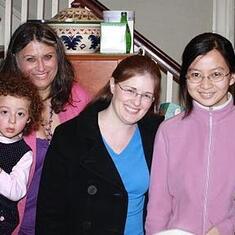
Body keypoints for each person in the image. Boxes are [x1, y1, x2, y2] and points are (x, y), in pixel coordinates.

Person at [35, 55, 164, 235]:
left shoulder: (156, 133)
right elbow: (50, 213)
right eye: (130, 90)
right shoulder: (70, 136)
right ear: (113, 85)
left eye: (146, 95)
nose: (137, 102)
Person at [0, 21, 90, 234]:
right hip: (14, 226)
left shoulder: (79, 99)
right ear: (15, 60)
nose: (41, 68)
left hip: (69, 225)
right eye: (30, 59)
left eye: (48, 57)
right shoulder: (3, 104)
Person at [145, 32, 235, 235]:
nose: (205, 84)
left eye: (216, 74)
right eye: (195, 75)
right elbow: (159, 203)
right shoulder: (169, 130)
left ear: (232, 77)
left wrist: (225, 228)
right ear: (185, 78)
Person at [0, 73, 42, 234]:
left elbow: (17, 191)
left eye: (20, 114)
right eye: (4, 112)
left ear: (29, 118)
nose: (12, 121)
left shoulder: (23, 153)